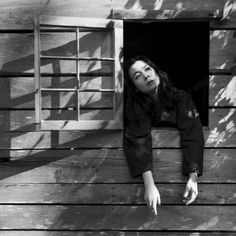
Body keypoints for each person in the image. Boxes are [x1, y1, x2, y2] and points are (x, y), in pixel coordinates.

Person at [123, 56, 204, 215]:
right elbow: (138, 139)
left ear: (156, 72)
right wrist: (149, 184)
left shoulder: (180, 98)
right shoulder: (136, 107)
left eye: (147, 69)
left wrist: (193, 176)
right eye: (137, 76)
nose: (146, 76)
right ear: (136, 88)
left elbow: (192, 133)